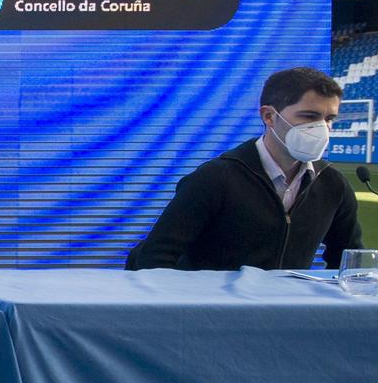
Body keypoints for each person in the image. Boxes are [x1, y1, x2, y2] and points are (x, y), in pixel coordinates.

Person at [126, 66, 362, 270]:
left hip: (289, 315)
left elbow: (351, 261)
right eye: (309, 116)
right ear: (269, 116)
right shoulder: (215, 178)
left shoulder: (333, 184)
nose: (322, 128)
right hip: (213, 314)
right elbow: (154, 256)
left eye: (329, 119)